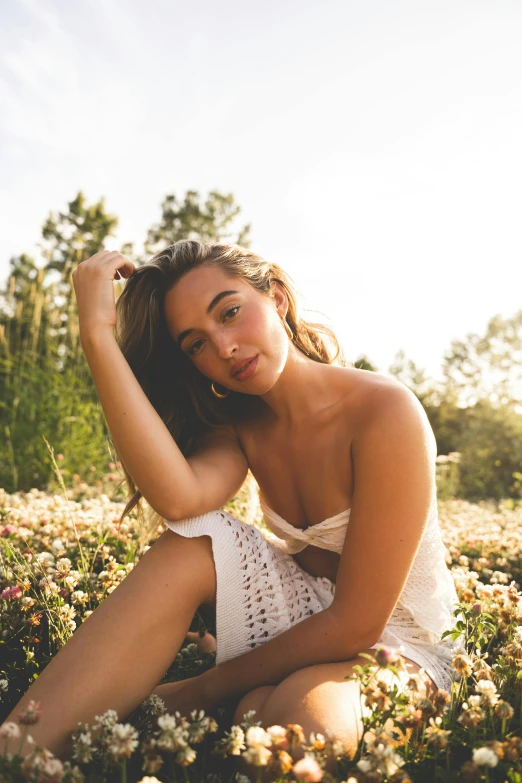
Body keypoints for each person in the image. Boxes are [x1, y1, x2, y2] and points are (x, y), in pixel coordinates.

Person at [2, 240, 462, 766]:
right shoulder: (240, 425)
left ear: (279, 299)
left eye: (231, 312)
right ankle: (18, 750)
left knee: (298, 729)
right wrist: (95, 336)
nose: (223, 347)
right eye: (196, 343)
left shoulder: (384, 411)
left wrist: (206, 687)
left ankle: (258, 700)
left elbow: (358, 622)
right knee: (194, 541)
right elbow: (180, 499)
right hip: (306, 610)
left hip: (398, 642)